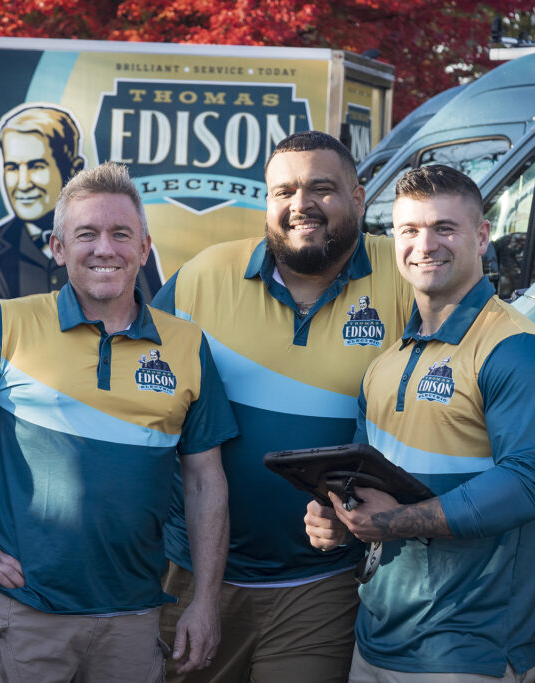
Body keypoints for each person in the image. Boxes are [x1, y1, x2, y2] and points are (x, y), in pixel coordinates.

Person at [0, 162, 237, 681]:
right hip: (24, 616)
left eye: (121, 234)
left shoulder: (187, 345)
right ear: (57, 248)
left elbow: (206, 481)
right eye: (86, 234)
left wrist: (205, 600)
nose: (104, 248)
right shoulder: (8, 325)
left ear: (144, 249)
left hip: (136, 621)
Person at [151, 130, 414, 683]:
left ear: (360, 198)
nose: (302, 206)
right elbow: (136, 394)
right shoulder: (202, 277)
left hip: (320, 585)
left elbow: (457, 388)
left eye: (322, 188)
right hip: (192, 578)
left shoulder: (407, 277)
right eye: (284, 191)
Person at [305, 165, 535, 682]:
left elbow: (532, 482)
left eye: (444, 228)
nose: (424, 245)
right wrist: (339, 518)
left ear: (481, 236)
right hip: (376, 641)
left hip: (469, 651)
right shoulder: (386, 362)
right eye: (409, 230)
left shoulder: (521, 352)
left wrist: (395, 522)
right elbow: (362, 482)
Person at [0, 105, 162, 299]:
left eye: (37, 166)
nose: (23, 183)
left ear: (73, 168)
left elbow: (154, 325)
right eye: (13, 168)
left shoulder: (123, 250)